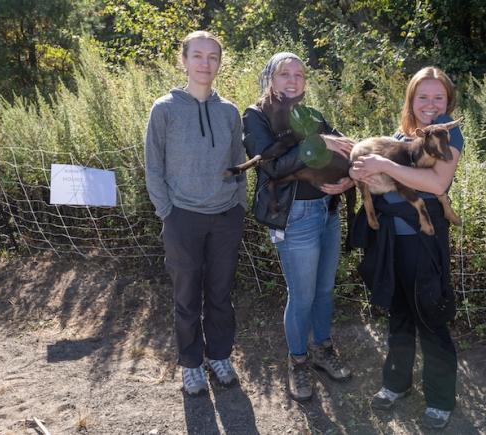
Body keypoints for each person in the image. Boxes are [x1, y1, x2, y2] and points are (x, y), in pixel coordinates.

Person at [350, 66, 464, 430]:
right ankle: (396, 383)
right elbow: (374, 175)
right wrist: (358, 171)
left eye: (438, 98)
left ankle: (441, 399)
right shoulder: (402, 136)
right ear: (411, 100)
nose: (430, 105)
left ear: (448, 102)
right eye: (422, 97)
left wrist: (381, 164)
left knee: (429, 313)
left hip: (423, 242)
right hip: (391, 241)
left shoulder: (447, 132)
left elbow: (436, 181)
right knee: (398, 312)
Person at [242, 52, 354, 402]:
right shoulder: (256, 116)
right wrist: (320, 143)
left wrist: (350, 180)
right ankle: (298, 361)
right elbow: (270, 166)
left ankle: (322, 350)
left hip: (327, 211)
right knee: (302, 296)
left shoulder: (311, 115)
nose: (292, 81)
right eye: (284, 74)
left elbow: (348, 150)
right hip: (294, 216)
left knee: (323, 291)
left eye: (299, 75)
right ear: (270, 79)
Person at [144, 30, 246, 396]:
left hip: (225, 217)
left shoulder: (229, 111)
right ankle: (190, 364)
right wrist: (167, 212)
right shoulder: (165, 109)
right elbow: (153, 167)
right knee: (186, 298)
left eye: (213, 57)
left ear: (219, 63)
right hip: (182, 218)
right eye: (198, 56)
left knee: (220, 294)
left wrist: (239, 205)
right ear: (183, 61)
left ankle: (219, 355)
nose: (205, 64)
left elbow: (239, 161)